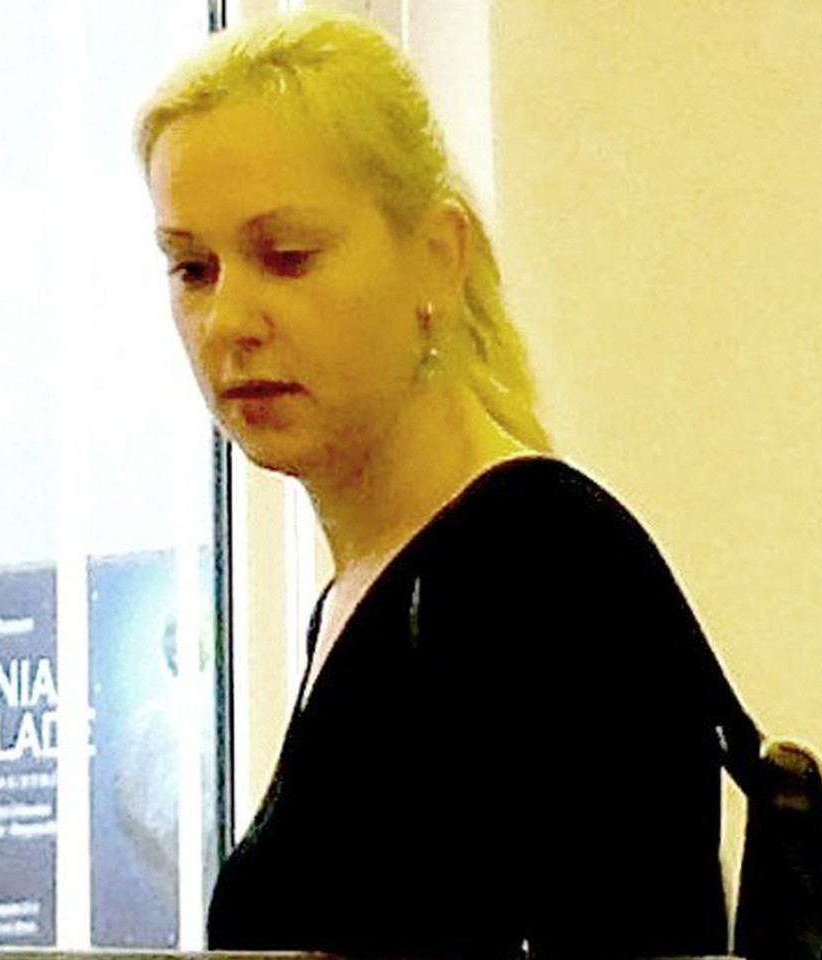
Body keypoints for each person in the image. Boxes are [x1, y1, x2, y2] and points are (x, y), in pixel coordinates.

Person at [135, 10, 728, 958]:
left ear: (438, 257)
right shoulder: (371, 591)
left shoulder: (536, 564)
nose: (230, 320)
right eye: (193, 269)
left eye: (287, 257)